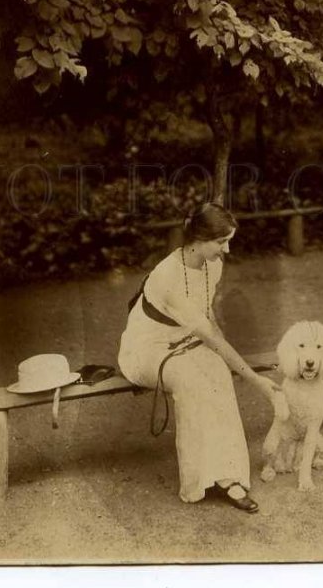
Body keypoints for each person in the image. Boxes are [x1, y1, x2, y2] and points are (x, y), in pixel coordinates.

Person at [118, 202, 282, 513]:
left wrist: (220, 354)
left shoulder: (212, 265)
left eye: (228, 240)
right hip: (144, 350)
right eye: (222, 242)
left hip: (183, 340)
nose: (228, 249)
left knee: (217, 370)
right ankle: (197, 483)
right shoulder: (169, 276)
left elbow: (208, 323)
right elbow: (208, 334)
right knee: (191, 380)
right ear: (198, 240)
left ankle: (230, 476)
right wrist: (257, 380)